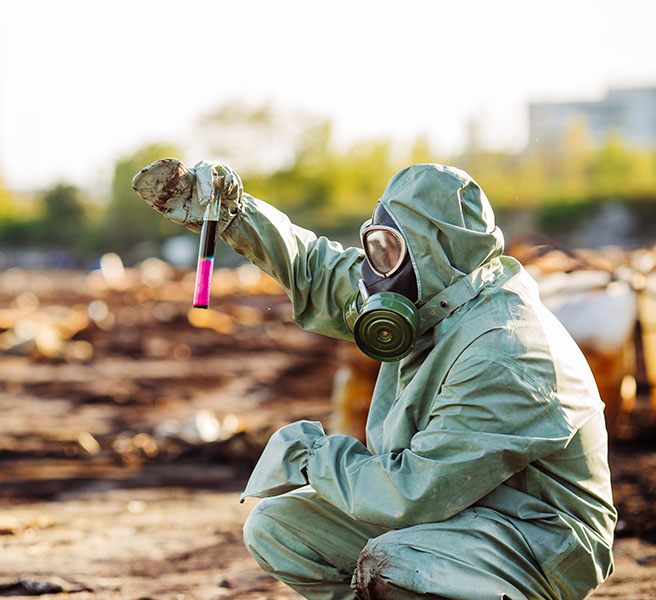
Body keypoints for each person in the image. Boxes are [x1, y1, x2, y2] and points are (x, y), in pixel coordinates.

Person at [133, 159, 616, 600]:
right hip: (457, 508)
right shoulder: (437, 295)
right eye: (374, 247)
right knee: (281, 527)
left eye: (389, 251)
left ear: (433, 253)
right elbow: (317, 270)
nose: (374, 274)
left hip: (536, 535)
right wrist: (236, 214)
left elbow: (411, 493)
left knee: (396, 564)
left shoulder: (506, 352)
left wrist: (308, 454)